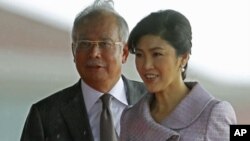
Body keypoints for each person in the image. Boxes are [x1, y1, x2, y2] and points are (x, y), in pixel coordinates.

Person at [20, 1, 146, 141]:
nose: (94, 53)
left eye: (105, 44)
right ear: (74, 52)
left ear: (124, 53)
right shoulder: (45, 115)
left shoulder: (157, 102)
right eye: (85, 44)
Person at [120, 9, 237, 141]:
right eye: (140, 55)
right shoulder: (131, 117)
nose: (146, 65)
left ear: (183, 58)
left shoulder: (214, 113)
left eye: (157, 54)